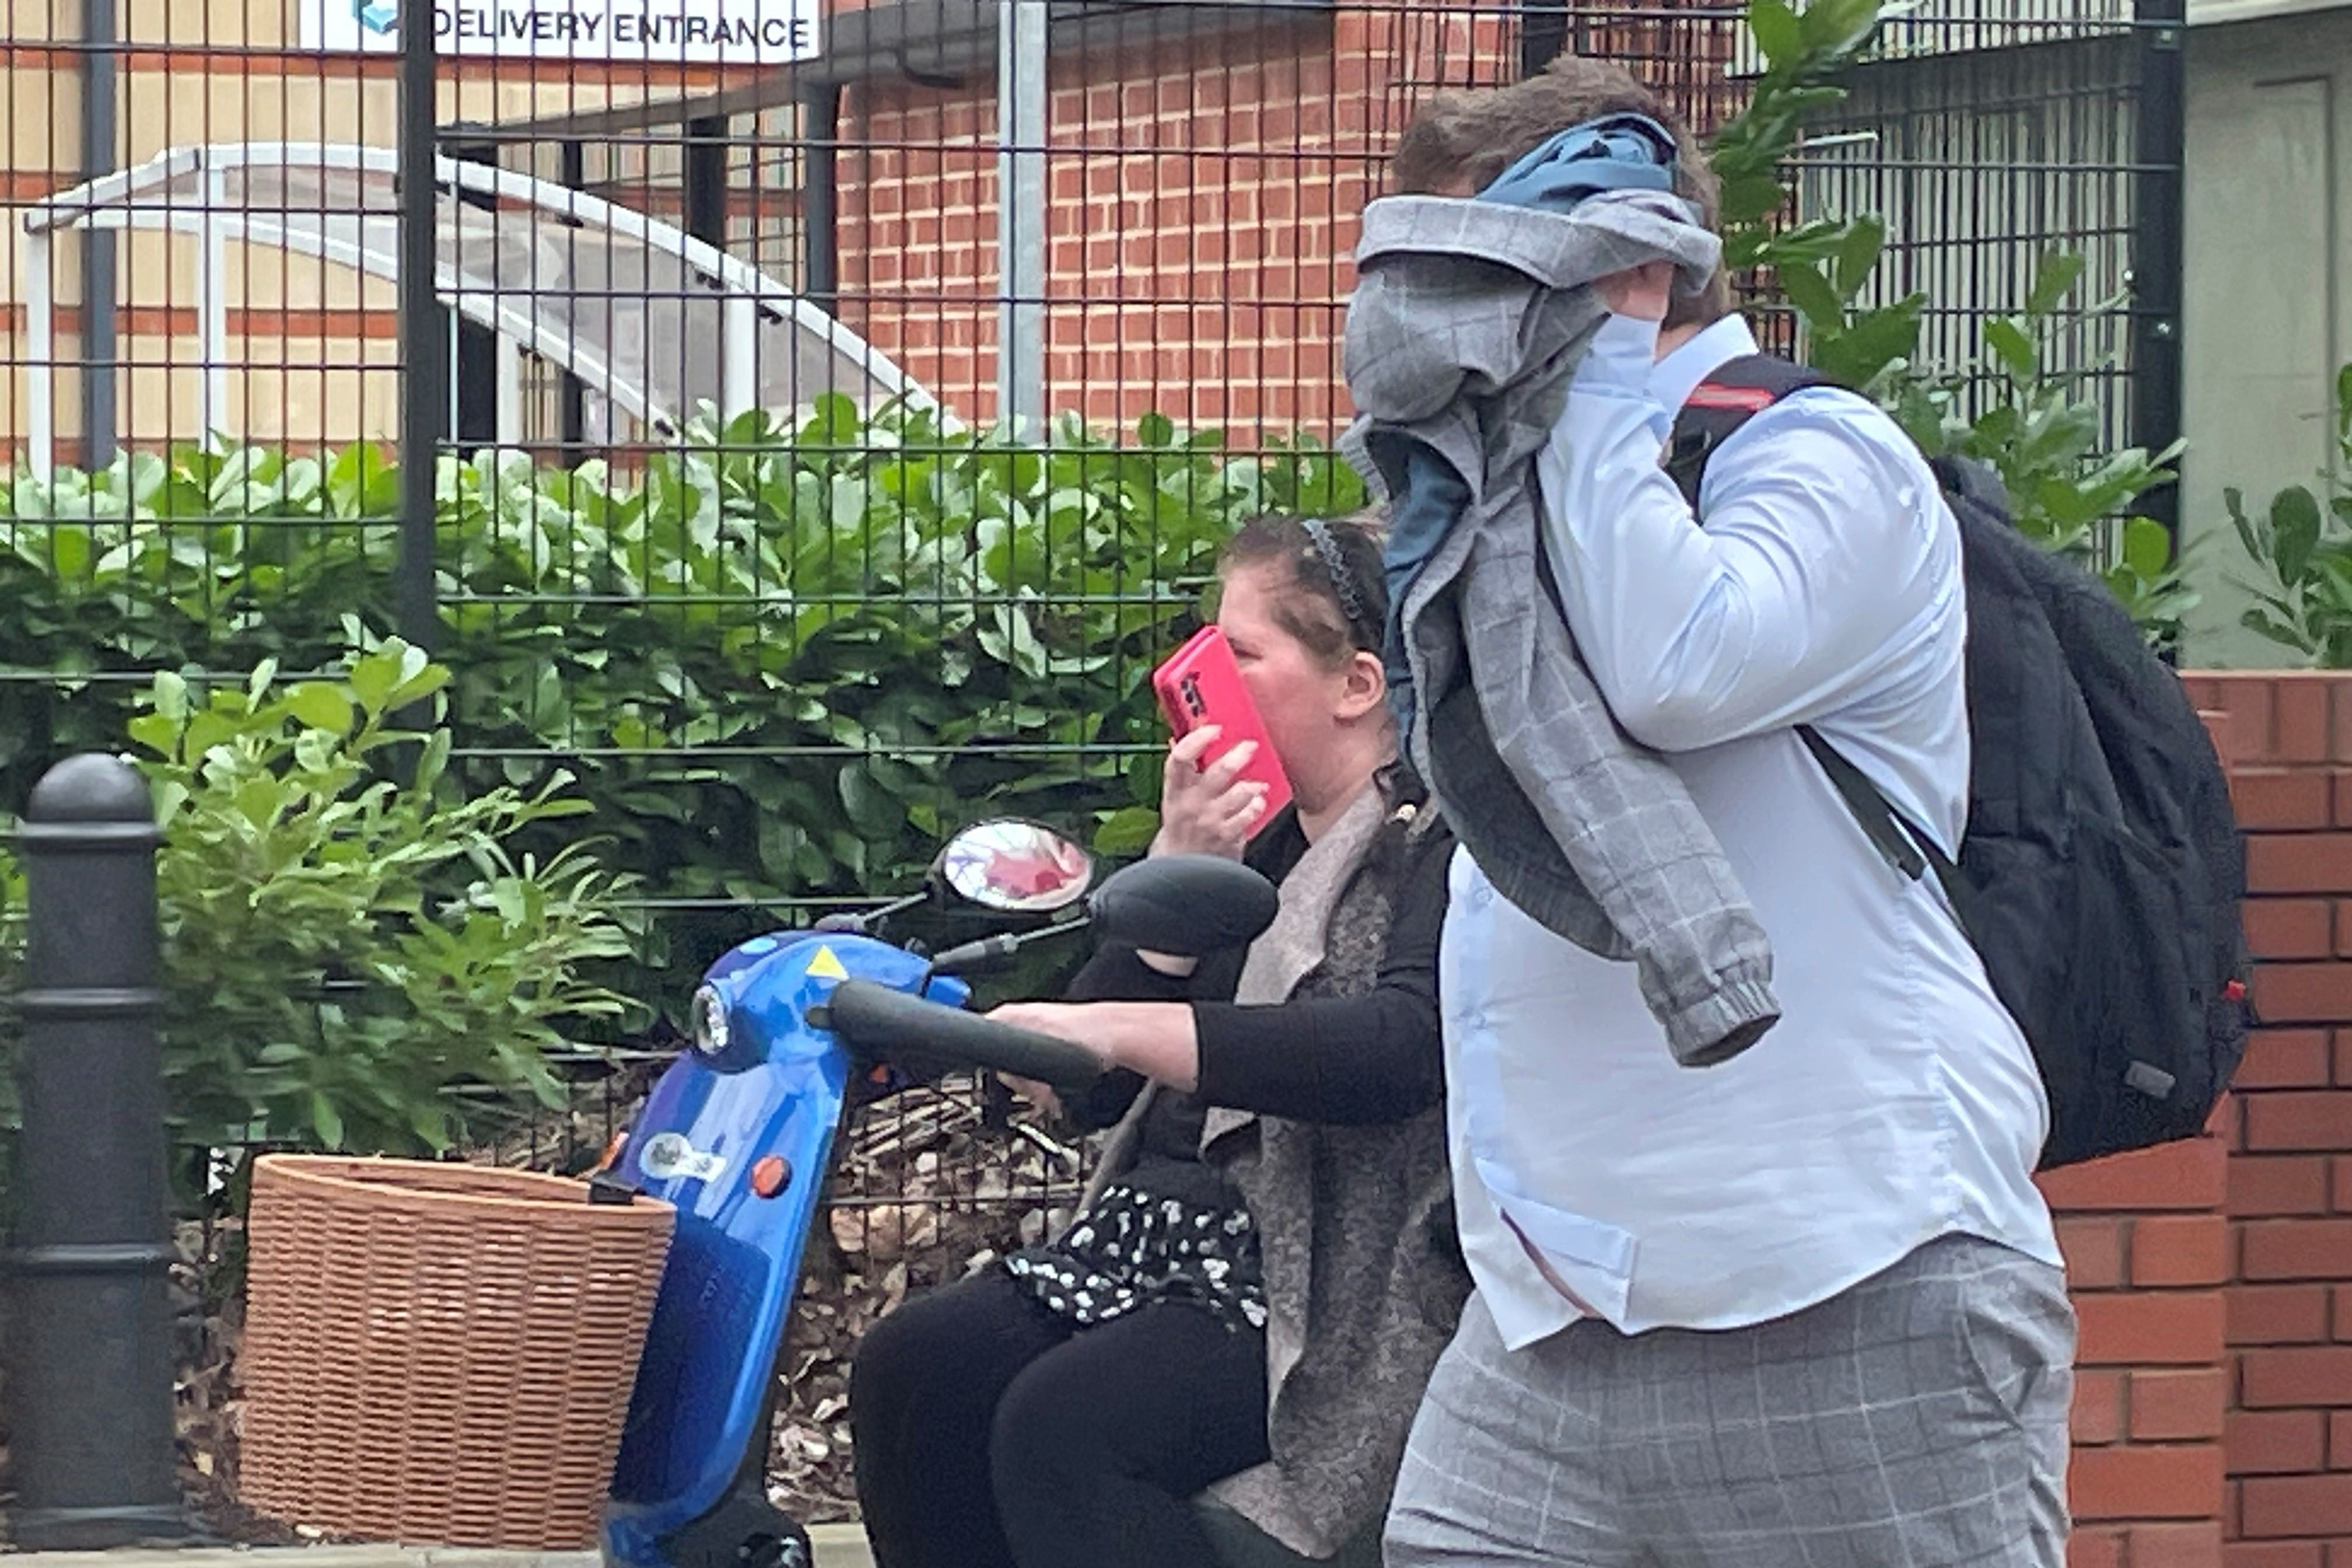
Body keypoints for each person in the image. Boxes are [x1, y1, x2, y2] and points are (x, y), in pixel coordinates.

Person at [1373, 57, 2076, 1568]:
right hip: (1563, 1312)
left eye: (1473, 274)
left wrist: (1600, 376)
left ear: (1619, 265)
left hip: (1853, 1284)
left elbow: (1678, 668)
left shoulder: (1819, 457)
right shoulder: (1527, 511)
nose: (1425, 324)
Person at [850, 512, 1468, 1568]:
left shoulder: (1432, 840)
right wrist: (1176, 874)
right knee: (915, 1363)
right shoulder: (1255, 840)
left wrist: (1134, 1026)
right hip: (1164, 1239)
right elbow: (1092, 1097)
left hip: (1315, 1271)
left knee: (1065, 1427)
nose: (1199, 686)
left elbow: (1400, 1048)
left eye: (1238, 657)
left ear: (1357, 684)